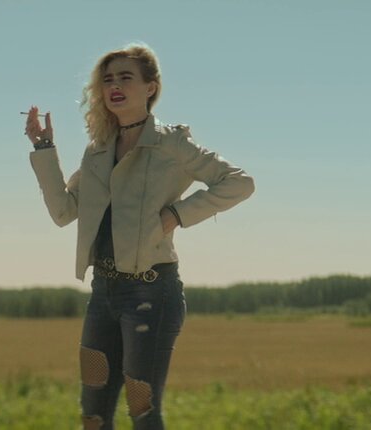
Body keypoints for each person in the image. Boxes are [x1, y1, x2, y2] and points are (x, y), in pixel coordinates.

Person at [23, 43, 255, 429]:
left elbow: (239, 183)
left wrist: (176, 215)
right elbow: (63, 211)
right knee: (93, 414)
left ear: (150, 87)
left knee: (142, 410)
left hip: (151, 294)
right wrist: (43, 147)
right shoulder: (98, 150)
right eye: (108, 79)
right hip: (103, 294)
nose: (114, 85)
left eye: (125, 77)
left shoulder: (171, 143)